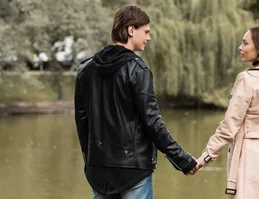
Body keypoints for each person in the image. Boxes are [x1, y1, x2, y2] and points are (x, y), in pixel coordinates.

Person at [74, 4, 201, 199]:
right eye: (146, 32)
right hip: (134, 171)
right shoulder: (138, 70)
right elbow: (152, 122)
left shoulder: (86, 69)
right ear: (131, 30)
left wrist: (91, 160)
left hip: (98, 169)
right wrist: (182, 159)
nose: (149, 37)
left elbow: (82, 122)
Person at [195, 25, 259, 199]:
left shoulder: (247, 79)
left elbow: (229, 126)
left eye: (245, 43)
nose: (240, 48)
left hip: (249, 158)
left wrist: (205, 157)